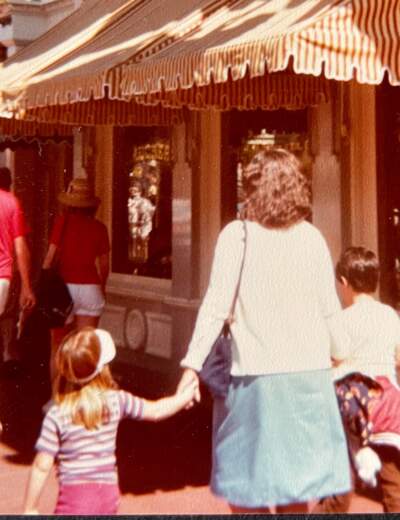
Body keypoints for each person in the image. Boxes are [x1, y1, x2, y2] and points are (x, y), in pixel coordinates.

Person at [177, 149, 351, 513]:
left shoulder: (236, 236)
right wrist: (342, 352)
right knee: (296, 490)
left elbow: (214, 307)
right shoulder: (311, 238)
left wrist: (191, 365)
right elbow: (329, 310)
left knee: (245, 488)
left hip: (253, 377)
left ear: (253, 189)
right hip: (307, 376)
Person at [23, 327, 198, 515]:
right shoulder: (116, 401)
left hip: (75, 499)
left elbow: (42, 465)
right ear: (103, 367)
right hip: (108, 495)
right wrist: (184, 396)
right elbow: (155, 411)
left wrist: (30, 508)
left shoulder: (57, 414)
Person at [314, 247, 400, 513]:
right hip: (386, 403)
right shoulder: (389, 315)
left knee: (340, 486)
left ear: (343, 282)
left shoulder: (340, 321)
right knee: (393, 484)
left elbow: (330, 359)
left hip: (351, 406)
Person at [42, 178, 110, 378]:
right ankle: (82, 399)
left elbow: (49, 258)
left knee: (58, 347)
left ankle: (57, 399)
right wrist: (102, 287)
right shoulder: (100, 228)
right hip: (90, 289)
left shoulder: (62, 223)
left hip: (64, 289)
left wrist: (45, 285)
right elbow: (104, 265)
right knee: (85, 349)